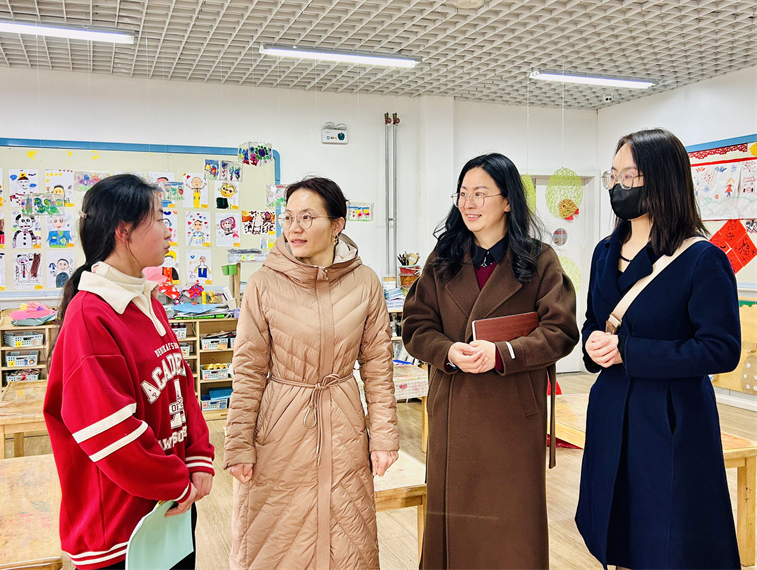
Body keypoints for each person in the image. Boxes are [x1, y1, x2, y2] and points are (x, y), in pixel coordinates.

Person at [402, 153, 579, 569]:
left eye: (480, 193)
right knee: (455, 521)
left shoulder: (539, 259)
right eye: (463, 194)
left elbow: (560, 331)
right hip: (454, 408)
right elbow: (416, 326)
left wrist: (503, 353)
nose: (469, 203)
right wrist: (447, 351)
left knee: (510, 526)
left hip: (512, 414)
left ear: (508, 201)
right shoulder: (443, 259)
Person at [576, 128, 742, 569]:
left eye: (630, 176)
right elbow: (595, 320)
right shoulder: (604, 251)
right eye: (614, 175)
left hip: (670, 420)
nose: (618, 186)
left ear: (663, 179)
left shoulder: (702, 258)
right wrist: (593, 343)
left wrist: (630, 352)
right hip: (611, 410)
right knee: (617, 529)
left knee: (668, 540)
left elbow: (721, 349)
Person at [224, 176, 399, 570]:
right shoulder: (263, 283)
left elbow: (377, 366)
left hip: (343, 422)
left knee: (346, 533)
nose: (294, 228)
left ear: (337, 225)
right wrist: (238, 444)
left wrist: (384, 436)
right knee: (277, 540)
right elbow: (248, 370)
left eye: (307, 217)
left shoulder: (365, 282)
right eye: (288, 218)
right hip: (280, 427)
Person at [44, 174, 215, 570]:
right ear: (124, 231)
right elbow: (110, 431)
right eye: (159, 218)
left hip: (169, 507)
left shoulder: (146, 300)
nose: (168, 230)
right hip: (121, 528)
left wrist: (198, 457)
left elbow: (180, 387)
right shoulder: (91, 315)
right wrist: (175, 481)